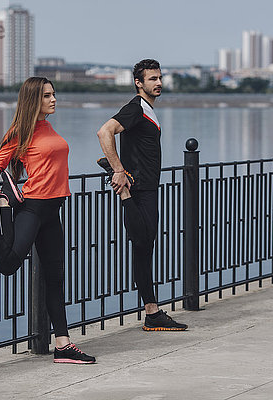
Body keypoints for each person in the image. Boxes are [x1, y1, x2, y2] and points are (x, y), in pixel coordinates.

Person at [0, 77, 96, 364]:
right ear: (33, 100)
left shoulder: (48, 127)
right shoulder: (20, 132)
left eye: (54, 94)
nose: (54, 99)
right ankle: (4, 204)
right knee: (8, 264)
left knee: (56, 278)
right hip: (33, 207)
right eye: (47, 95)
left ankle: (63, 346)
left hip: (53, 210)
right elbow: (0, 161)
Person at [96, 59, 188, 331]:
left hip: (147, 186)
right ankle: (152, 312)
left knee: (144, 247)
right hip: (140, 188)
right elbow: (104, 132)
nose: (158, 83)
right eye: (152, 79)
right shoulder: (135, 108)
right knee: (142, 242)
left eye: (159, 78)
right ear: (139, 83)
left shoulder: (147, 109)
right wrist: (119, 170)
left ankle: (152, 311)